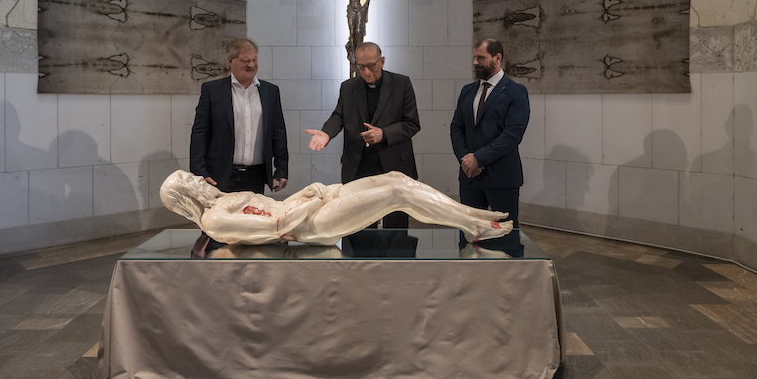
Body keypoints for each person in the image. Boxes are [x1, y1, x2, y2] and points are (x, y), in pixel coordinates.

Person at [160, 169, 512, 246]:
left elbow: (277, 206)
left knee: (396, 178)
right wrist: (310, 201)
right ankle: (473, 224)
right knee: (396, 196)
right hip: (312, 225)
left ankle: (471, 215)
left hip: (310, 205)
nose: (199, 178)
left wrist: (306, 193)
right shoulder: (216, 219)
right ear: (185, 197)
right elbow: (279, 227)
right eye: (191, 180)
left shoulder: (222, 200)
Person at [304, 42, 420, 228]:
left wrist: (384, 134)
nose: (366, 72)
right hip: (359, 166)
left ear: (382, 61)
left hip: (393, 165)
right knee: (358, 225)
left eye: (371, 66)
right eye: (361, 66)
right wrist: (326, 133)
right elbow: (339, 116)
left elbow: (412, 124)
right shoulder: (349, 87)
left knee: (396, 226)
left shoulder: (401, 84)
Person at [189, 38, 289, 194]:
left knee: (254, 217)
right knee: (220, 218)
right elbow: (200, 132)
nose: (251, 65)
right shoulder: (212, 91)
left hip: (256, 175)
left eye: (254, 60)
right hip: (220, 176)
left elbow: (278, 132)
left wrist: (282, 168)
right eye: (245, 60)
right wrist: (199, 171)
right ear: (231, 62)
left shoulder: (271, 92)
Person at [450, 38, 530, 227]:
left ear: (497, 58)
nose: (475, 62)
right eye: (474, 57)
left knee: (505, 237)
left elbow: (512, 135)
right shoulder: (467, 91)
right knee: (470, 234)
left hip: (501, 178)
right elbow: (456, 128)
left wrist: (478, 158)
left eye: (481, 58)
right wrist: (465, 159)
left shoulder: (516, 92)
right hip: (470, 177)